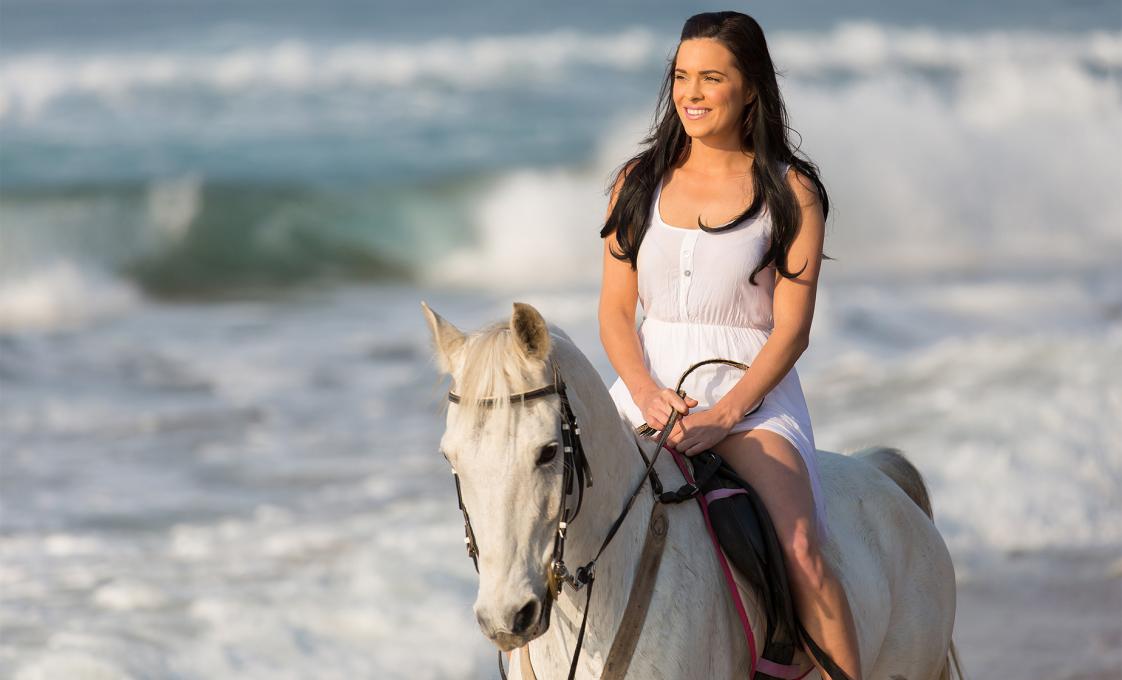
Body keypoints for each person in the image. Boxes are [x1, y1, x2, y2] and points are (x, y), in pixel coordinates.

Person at [597, 11, 862, 679]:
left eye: (711, 78)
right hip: (643, 393)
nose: (691, 92)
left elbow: (792, 331)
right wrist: (646, 394)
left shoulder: (791, 190)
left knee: (800, 545)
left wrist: (723, 415)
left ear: (750, 88)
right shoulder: (637, 181)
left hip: (750, 394)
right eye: (682, 76)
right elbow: (614, 311)